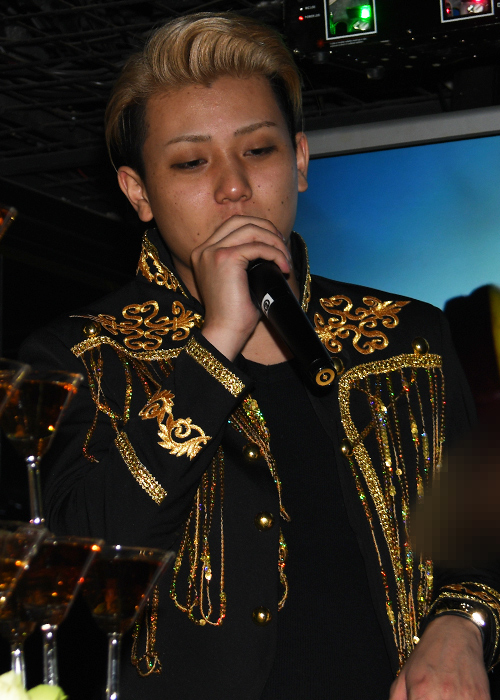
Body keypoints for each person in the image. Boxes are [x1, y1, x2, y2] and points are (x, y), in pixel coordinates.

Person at [19, 12, 500, 700]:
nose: (234, 186)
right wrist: (216, 343)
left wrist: (463, 623)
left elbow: (477, 541)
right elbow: (84, 568)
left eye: (259, 150)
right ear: (138, 192)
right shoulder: (82, 356)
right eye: (191, 162)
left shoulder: (407, 338)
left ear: (299, 161)